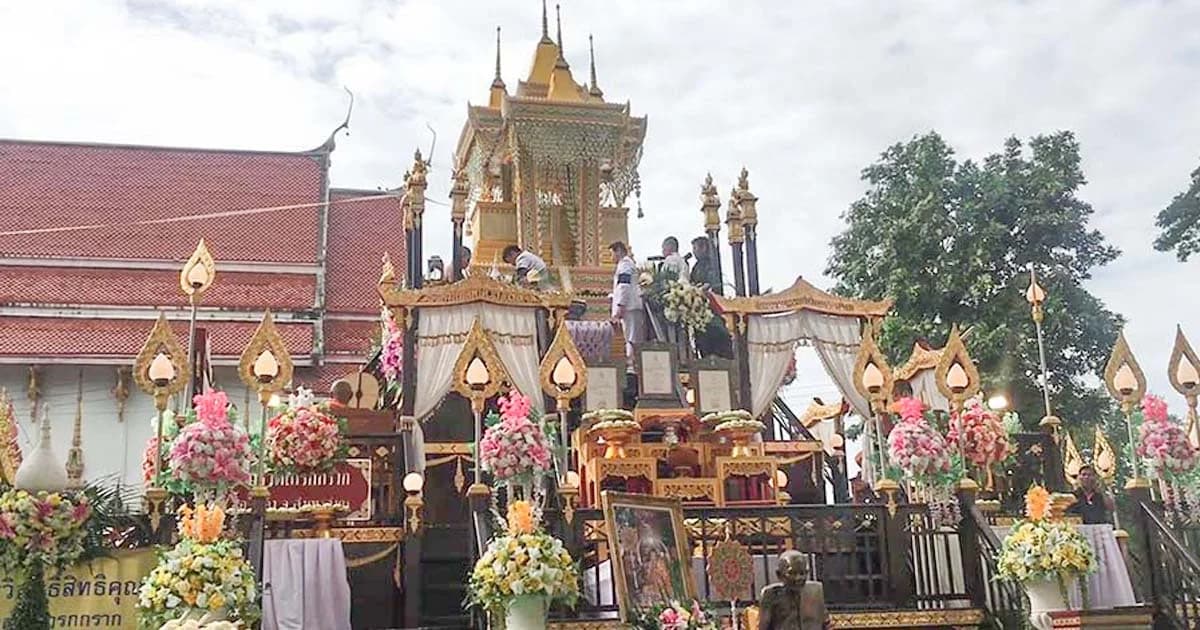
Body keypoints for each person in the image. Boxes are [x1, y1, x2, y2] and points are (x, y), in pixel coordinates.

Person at [608, 241, 645, 367]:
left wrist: (620, 307)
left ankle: (632, 367)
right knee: (630, 338)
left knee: (632, 339)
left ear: (618, 251)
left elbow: (624, 286)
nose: (611, 257)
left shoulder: (625, 265)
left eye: (612, 254)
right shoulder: (624, 265)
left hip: (629, 307)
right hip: (629, 308)